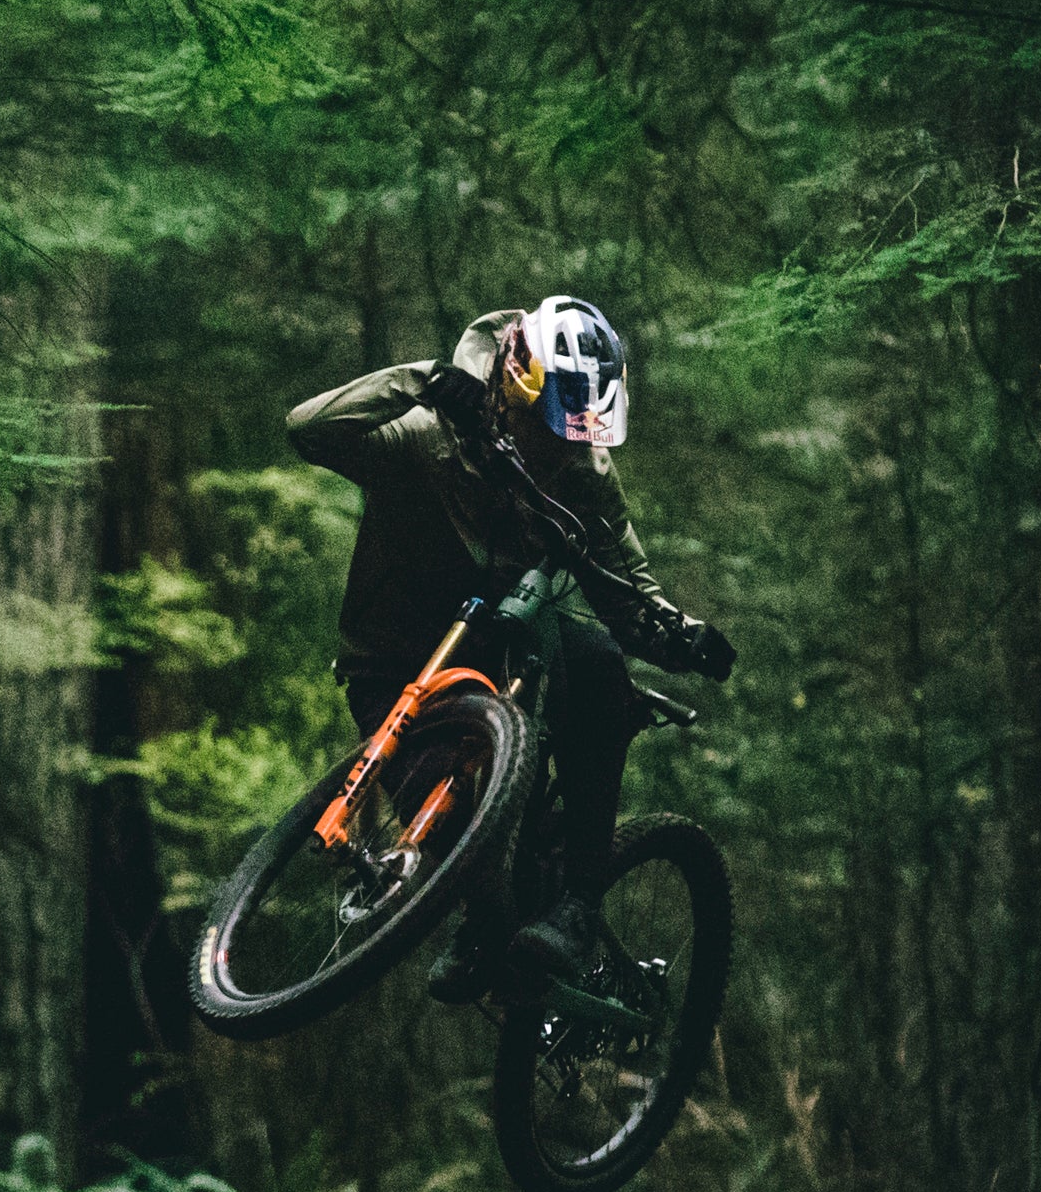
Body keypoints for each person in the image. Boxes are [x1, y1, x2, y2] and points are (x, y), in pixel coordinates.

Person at [281, 295, 735, 995]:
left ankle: (579, 907)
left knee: (595, 663)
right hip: (390, 664)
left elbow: (627, 592)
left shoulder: (583, 473)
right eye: (554, 426)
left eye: (582, 429)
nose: (566, 447)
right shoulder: (427, 435)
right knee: (451, 825)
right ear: (519, 388)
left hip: (492, 667)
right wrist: (421, 380)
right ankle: (486, 930)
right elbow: (308, 429)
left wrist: (684, 639)